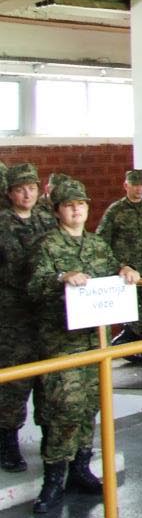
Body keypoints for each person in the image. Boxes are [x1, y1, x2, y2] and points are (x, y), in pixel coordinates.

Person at [26, 177, 141, 516]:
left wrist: (124, 270)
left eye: (81, 204)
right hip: (60, 342)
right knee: (63, 407)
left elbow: (111, 271)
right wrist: (60, 278)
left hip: (94, 341)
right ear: (57, 210)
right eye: (69, 205)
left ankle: (80, 467)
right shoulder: (46, 245)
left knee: (91, 403)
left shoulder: (96, 245)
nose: (76, 210)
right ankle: (53, 478)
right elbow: (33, 286)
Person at [0, 162, 56, 473]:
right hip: (12, 316)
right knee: (14, 382)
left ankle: (52, 442)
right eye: (20, 189)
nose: (27, 194)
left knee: (49, 381)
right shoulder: (2, 224)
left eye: (32, 188)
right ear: (10, 193)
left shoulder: (47, 219)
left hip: (45, 314)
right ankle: (7, 443)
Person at [96, 166, 142, 366]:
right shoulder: (116, 210)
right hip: (125, 271)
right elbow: (101, 240)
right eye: (134, 185)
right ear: (126, 186)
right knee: (129, 310)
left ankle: (124, 339)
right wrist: (116, 265)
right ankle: (134, 347)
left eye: (141, 185)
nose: (139, 189)